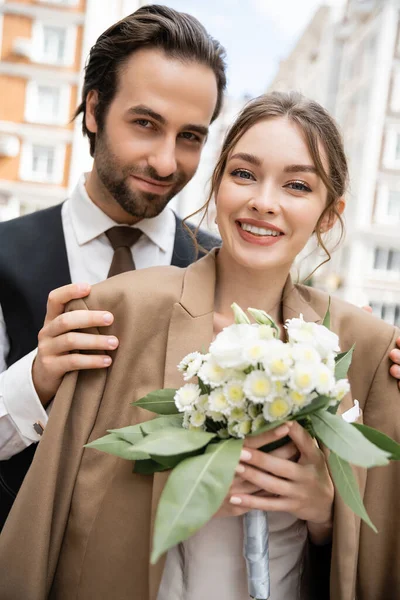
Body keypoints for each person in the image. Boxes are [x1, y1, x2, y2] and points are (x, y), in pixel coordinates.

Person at [1, 91, 399, 600]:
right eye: (244, 174)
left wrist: (326, 512)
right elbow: (47, 511)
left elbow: (379, 549)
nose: (263, 201)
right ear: (217, 183)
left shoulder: (364, 348)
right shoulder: (120, 314)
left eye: (297, 185)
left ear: (328, 214)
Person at [0, 4, 226, 527]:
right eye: (146, 124)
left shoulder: (225, 270)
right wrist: (34, 379)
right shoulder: (4, 255)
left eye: (190, 136)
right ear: (95, 110)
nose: (168, 163)